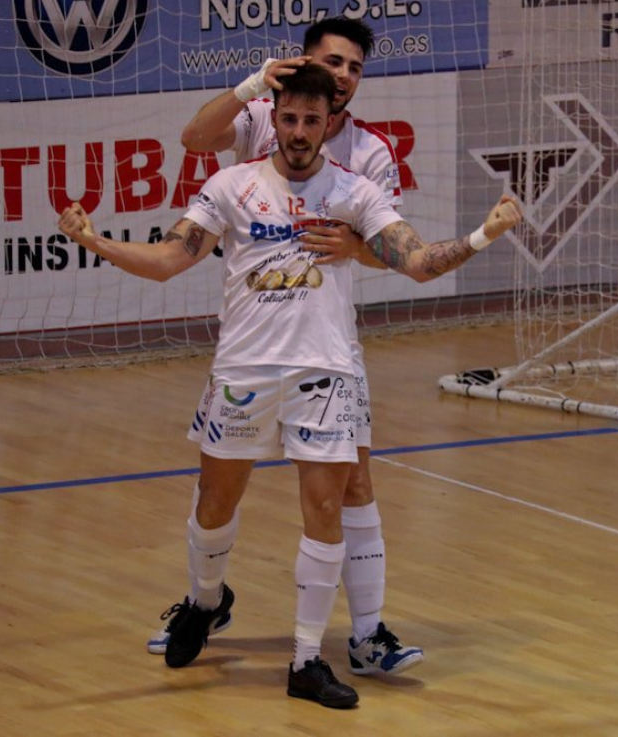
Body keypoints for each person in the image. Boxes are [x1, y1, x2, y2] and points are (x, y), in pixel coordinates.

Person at [58, 64, 521, 708]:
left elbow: (413, 260)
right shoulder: (231, 185)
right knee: (214, 505)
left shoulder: (354, 192)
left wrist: (480, 236)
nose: (300, 131)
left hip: (323, 373)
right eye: (290, 119)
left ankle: (307, 661)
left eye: (312, 120)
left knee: (326, 511)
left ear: (329, 123)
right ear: (272, 120)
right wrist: (96, 242)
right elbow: (169, 259)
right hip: (244, 370)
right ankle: (206, 599)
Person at [149, 16, 417, 678]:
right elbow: (193, 137)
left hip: (327, 339)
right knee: (219, 485)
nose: (346, 74)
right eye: (335, 61)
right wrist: (247, 88)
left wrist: (357, 247)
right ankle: (203, 601)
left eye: (356, 66)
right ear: (302, 65)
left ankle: (367, 632)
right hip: (255, 335)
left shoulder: (371, 153)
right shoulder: (268, 117)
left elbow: (390, 251)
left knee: (354, 477)